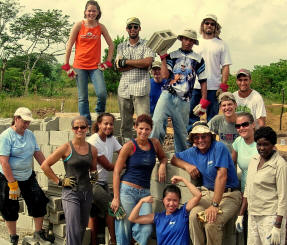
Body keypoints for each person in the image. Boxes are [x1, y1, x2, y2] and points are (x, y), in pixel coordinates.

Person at [171, 121, 241, 245]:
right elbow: (173, 158)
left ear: (210, 136)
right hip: (207, 193)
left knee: (211, 222)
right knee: (193, 216)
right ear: (193, 139)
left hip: (229, 195)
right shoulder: (193, 152)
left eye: (204, 136)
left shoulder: (219, 147)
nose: (200, 140)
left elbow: (222, 176)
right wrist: (187, 166)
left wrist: (214, 205)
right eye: (196, 137)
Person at [111, 114, 167, 245]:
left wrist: (163, 165)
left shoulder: (155, 143)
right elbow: (116, 172)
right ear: (135, 127)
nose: (144, 132)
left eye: (147, 129)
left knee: (146, 228)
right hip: (127, 191)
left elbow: (163, 157)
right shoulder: (129, 146)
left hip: (146, 193)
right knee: (124, 226)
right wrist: (116, 197)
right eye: (141, 128)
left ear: (151, 130)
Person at [41, 116, 98, 245]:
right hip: (71, 193)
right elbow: (45, 165)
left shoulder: (92, 149)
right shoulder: (66, 148)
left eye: (82, 127)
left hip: (87, 193)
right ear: (72, 129)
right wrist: (59, 181)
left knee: (82, 227)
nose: (79, 129)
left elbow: (93, 169)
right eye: (76, 127)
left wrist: (94, 176)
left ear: (87, 128)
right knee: (73, 229)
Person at [151, 29, 208, 153]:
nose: (188, 42)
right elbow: (165, 76)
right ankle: (153, 153)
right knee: (156, 123)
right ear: (181, 39)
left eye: (191, 40)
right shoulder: (172, 55)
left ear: (194, 42)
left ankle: (182, 157)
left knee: (181, 132)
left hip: (184, 99)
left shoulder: (198, 59)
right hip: (167, 94)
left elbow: (203, 80)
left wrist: (203, 100)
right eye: (186, 39)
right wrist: (163, 58)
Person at [0, 107, 50, 245]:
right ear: (16, 119)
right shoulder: (6, 136)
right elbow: (4, 162)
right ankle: (13, 237)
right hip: (8, 178)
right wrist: (12, 184)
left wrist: (47, 168)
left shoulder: (29, 134)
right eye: (25, 122)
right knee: (9, 207)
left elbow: (37, 154)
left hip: (27, 176)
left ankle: (38, 234)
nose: (27, 125)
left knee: (38, 200)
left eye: (29, 122)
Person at [63, 0, 114, 127]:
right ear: (85, 12)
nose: (91, 13)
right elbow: (69, 45)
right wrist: (67, 65)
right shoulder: (79, 25)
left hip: (95, 67)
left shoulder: (101, 27)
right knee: (82, 97)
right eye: (89, 10)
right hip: (79, 66)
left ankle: (100, 115)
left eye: (94, 11)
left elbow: (111, 45)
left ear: (98, 13)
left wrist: (107, 62)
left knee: (102, 93)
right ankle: (87, 123)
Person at [235, 126, 287, 245]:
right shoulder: (253, 160)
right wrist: (241, 215)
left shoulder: (280, 165)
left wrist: (277, 225)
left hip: (270, 217)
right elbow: (248, 189)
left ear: (273, 145)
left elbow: (283, 197)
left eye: (266, 144)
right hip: (253, 215)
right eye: (259, 144)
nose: (262, 148)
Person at [188, 14, 232, 132]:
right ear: (202, 25)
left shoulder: (222, 44)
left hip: (214, 87)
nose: (209, 26)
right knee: (191, 117)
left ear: (216, 27)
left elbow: (226, 66)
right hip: (195, 86)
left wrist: (223, 86)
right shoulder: (195, 43)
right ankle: (191, 143)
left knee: (212, 119)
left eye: (212, 24)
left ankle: (210, 145)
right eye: (207, 23)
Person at [128, 176, 201, 245]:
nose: (171, 204)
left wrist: (183, 179)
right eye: (168, 200)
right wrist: (141, 201)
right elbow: (132, 218)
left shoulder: (183, 212)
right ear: (163, 200)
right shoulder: (158, 217)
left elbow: (198, 195)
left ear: (179, 201)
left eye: (175, 200)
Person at [115, 17, 154, 143]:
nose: (133, 29)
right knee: (125, 124)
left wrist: (126, 62)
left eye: (135, 27)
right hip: (124, 89)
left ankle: (143, 149)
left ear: (139, 28)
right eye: (130, 27)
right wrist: (139, 63)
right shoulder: (121, 46)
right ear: (127, 29)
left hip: (141, 89)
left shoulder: (147, 44)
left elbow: (148, 62)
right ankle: (127, 150)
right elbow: (119, 68)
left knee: (144, 123)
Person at [87, 113, 122, 245]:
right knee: (113, 208)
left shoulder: (111, 139)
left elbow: (123, 152)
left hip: (103, 183)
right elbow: (107, 166)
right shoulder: (93, 141)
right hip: (92, 183)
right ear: (99, 124)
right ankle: (114, 241)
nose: (108, 126)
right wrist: (123, 164)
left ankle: (94, 242)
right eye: (105, 123)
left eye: (111, 124)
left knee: (94, 213)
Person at [231, 112, 257, 244]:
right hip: (244, 193)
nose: (241, 128)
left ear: (253, 124)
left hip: (260, 194)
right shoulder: (238, 142)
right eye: (238, 126)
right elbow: (231, 165)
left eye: (245, 124)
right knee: (247, 232)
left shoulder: (262, 143)